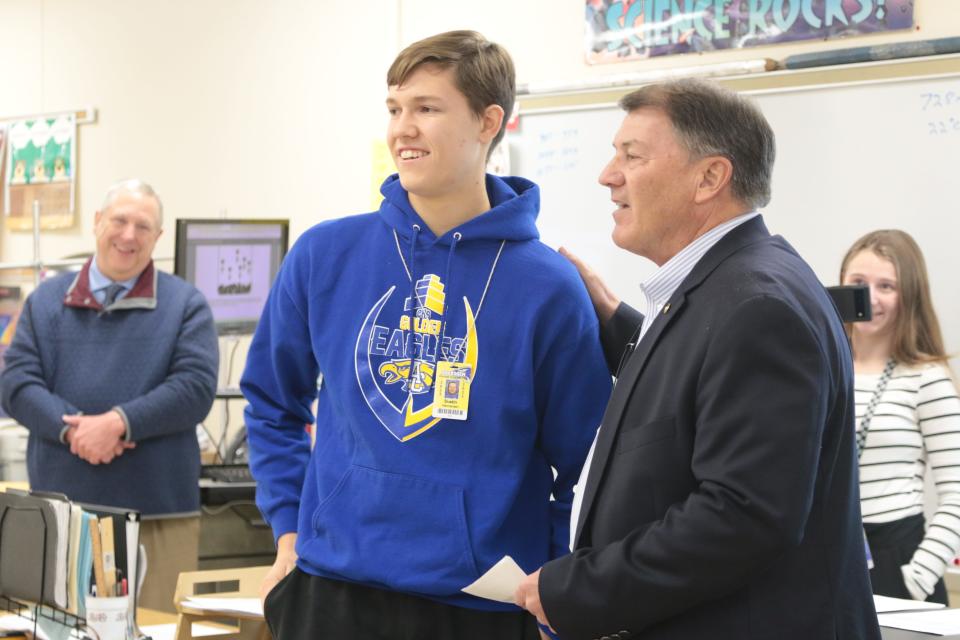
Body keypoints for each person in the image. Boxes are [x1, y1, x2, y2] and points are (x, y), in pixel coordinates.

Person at [240, 30, 610, 640]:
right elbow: (270, 402)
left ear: (488, 122)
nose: (402, 129)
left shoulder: (547, 285)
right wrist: (286, 530)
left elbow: (587, 465)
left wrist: (554, 592)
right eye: (395, 109)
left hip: (478, 610)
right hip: (330, 595)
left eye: (428, 109)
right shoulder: (326, 252)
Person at [514, 79, 881, 639]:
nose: (607, 176)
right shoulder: (734, 284)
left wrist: (578, 591)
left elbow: (741, 518)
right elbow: (698, 380)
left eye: (630, 156)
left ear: (709, 178)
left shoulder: (757, 308)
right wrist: (615, 319)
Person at [0, 179, 219, 613]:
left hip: (160, 515)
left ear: (157, 238)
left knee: (157, 628)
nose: (128, 235)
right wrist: (74, 431)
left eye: (143, 226)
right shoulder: (46, 301)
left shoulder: (185, 304)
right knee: (58, 627)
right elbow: (16, 383)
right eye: (119, 220)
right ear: (98, 222)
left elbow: (195, 388)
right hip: (63, 515)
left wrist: (118, 422)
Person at [840, 229, 960, 604]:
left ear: (910, 294)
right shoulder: (819, 370)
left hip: (897, 559)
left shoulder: (928, 379)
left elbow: (957, 494)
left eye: (887, 286)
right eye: (858, 283)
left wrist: (915, 578)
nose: (870, 298)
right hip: (831, 552)